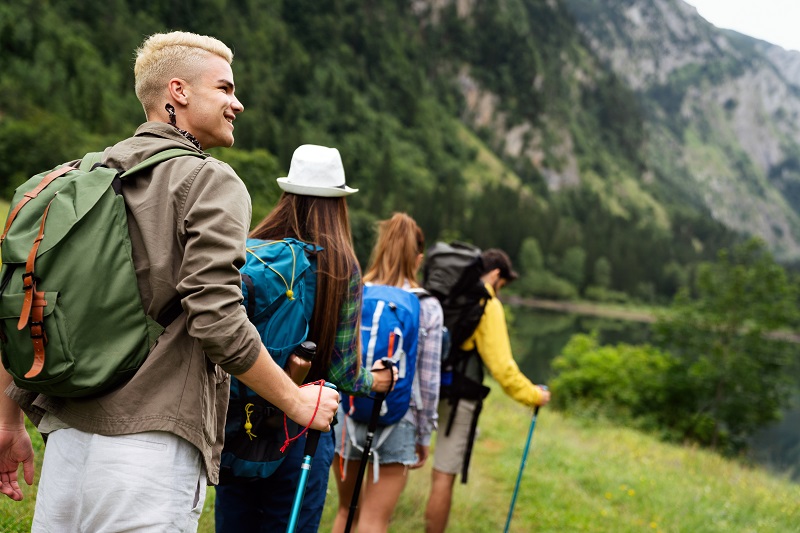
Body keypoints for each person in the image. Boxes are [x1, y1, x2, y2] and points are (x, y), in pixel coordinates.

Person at [0, 31, 338, 531]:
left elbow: (22, 301)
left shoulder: (70, 178)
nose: (237, 104)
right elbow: (217, 318)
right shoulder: (210, 181)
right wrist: (295, 400)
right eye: (224, 89)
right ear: (178, 92)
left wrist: (7, 420)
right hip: (152, 453)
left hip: (68, 445)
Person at [214, 144, 397, 533]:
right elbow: (346, 374)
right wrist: (376, 382)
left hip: (238, 424)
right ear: (339, 203)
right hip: (302, 433)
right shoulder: (340, 266)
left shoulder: (251, 249)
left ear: (288, 194)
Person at [424, 248, 551, 533]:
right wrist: (534, 395)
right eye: (502, 285)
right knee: (443, 475)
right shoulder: (486, 304)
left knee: (398, 464)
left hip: (422, 386)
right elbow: (503, 369)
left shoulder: (441, 294)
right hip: (458, 396)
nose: (500, 290)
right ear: (495, 274)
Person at [332, 213, 443, 533]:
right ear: (417, 258)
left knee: (345, 512)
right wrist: (423, 435)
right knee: (374, 519)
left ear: (381, 247)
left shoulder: (356, 289)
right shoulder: (429, 306)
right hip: (400, 416)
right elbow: (428, 381)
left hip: (349, 413)